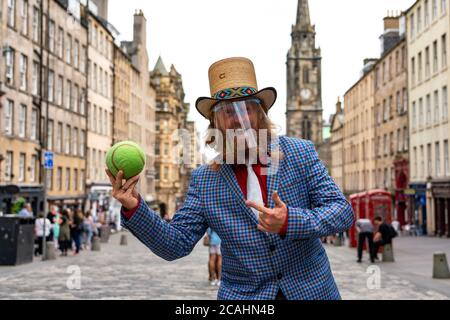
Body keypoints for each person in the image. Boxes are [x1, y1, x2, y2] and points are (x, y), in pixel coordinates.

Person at [107, 57, 354, 300]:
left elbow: (342, 211)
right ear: (216, 123)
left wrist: (291, 220)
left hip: (312, 293)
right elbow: (175, 244)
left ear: (260, 113)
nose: (238, 118)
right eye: (227, 111)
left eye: (246, 108)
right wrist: (134, 206)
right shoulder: (205, 180)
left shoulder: (299, 153)